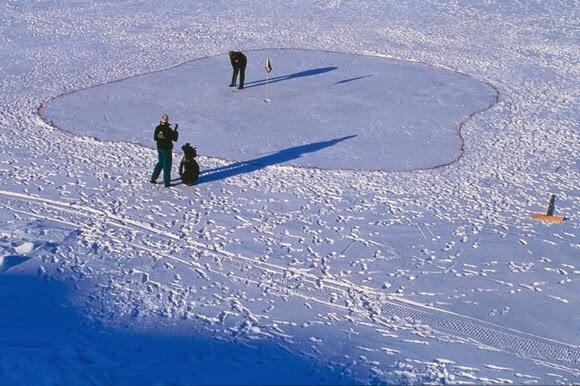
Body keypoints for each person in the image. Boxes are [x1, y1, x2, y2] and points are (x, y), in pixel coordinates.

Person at [150, 114, 179, 187]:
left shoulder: (158, 128)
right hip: (166, 149)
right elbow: (175, 139)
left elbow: (155, 138)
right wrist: (175, 131)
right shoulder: (168, 130)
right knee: (167, 165)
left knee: (160, 163)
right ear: (167, 120)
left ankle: (153, 179)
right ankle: (167, 183)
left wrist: (162, 138)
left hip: (159, 148)